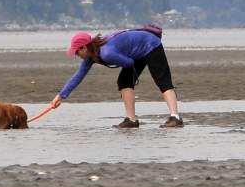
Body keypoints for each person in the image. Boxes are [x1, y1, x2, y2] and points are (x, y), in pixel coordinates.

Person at [50, 28, 183, 128]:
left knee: (162, 81)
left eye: (76, 51)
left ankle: (175, 117)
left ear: (84, 47)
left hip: (150, 45)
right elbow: (78, 76)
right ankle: (131, 120)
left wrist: (123, 59)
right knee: (124, 81)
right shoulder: (92, 55)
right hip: (135, 52)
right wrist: (61, 96)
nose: (75, 54)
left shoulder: (107, 53)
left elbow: (129, 63)